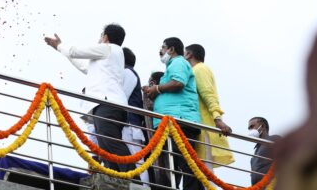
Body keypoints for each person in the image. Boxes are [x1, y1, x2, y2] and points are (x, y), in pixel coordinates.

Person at [44, 24, 133, 174]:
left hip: (108, 103)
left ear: (106, 37)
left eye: (101, 35)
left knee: (111, 142)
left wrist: (60, 46)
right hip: (108, 104)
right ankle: (117, 177)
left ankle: (133, 179)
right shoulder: (112, 54)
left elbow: (75, 51)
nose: (99, 38)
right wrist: (61, 50)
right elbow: (85, 67)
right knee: (105, 145)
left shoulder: (107, 48)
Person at [143, 37, 201, 190]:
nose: (160, 51)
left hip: (180, 120)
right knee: (173, 165)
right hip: (169, 122)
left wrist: (156, 89)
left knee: (186, 164)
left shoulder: (178, 62)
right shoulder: (171, 67)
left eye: (163, 47)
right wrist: (152, 91)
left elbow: (178, 83)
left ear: (172, 49)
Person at [185, 43, 235, 168]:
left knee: (204, 170)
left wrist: (218, 119)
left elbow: (208, 95)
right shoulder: (196, 70)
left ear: (189, 55)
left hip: (205, 126)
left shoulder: (199, 69)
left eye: (184, 53)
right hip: (198, 126)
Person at [122, 47, 149, 184]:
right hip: (128, 124)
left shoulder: (127, 72)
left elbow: (121, 96)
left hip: (130, 125)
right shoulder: (128, 72)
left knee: (136, 160)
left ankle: (143, 186)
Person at [248, 117, 279, 184]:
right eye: (249, 128)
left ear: (262, 126)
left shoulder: (274, 139)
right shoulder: (255, 152)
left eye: (252, 126)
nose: (250, 130)